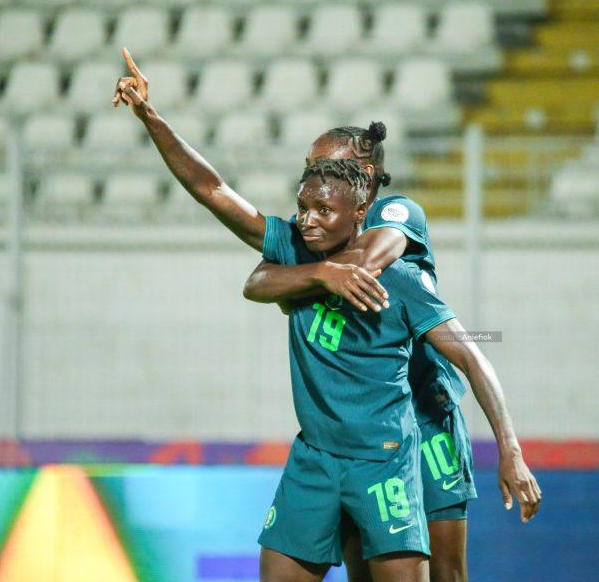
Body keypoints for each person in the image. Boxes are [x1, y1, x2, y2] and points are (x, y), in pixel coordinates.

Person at [112, 48, 541, 582]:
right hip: (330, 445)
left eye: (324, 172)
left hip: (418, 420)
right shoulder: (305, 241)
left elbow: (382, 269)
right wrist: (151, 117)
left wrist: (510, 450)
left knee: (446, 569)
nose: (311, 188)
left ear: (362, 186)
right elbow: (219, 203)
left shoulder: (397, 225)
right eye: (308, 179)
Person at [243, 125, 541, 582]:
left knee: (445, 570)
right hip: (368, 430)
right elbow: (256, 274)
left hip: (427, 417)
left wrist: (308, 273)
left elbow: (371, 262)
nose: (314, 173)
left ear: (363, 174)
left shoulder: (397, 215)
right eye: (310, 167)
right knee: (365, 570)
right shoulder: (319, 224)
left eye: (324, 164)